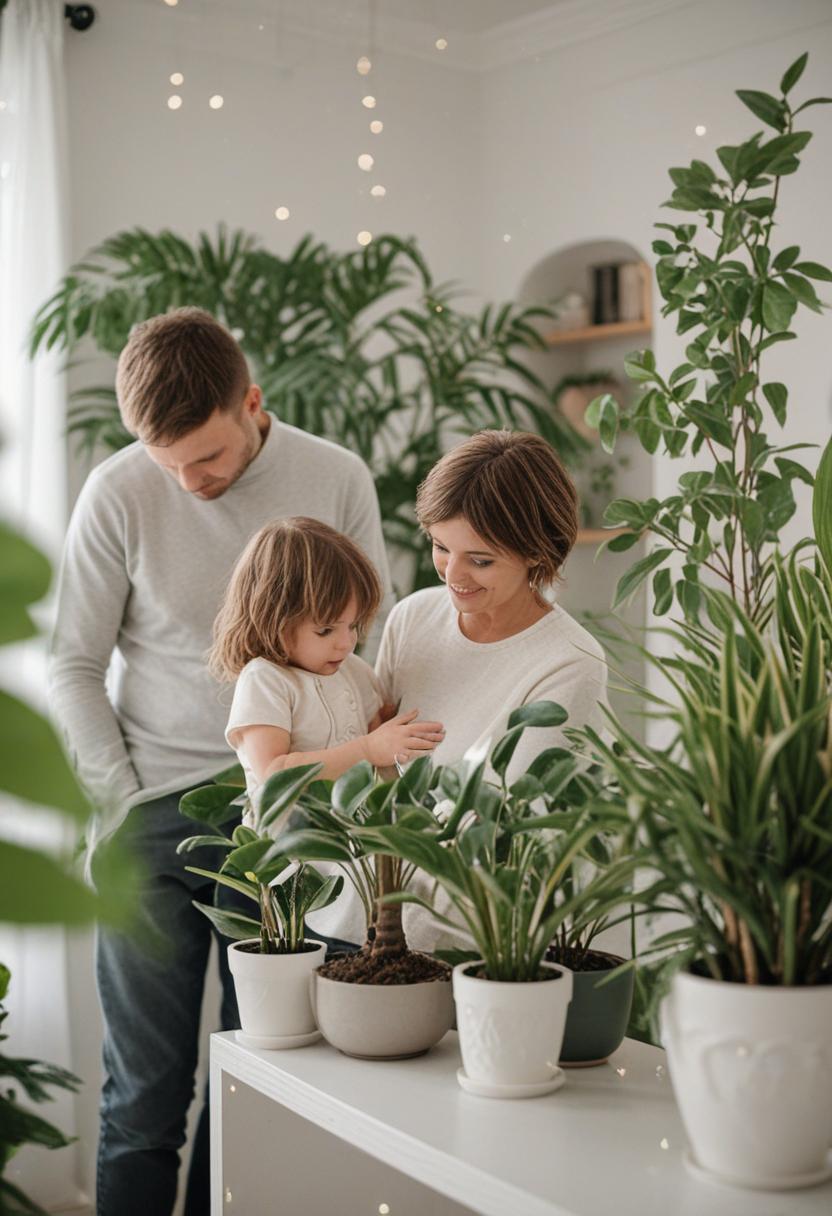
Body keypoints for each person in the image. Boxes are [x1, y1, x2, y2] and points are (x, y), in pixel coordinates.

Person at [48, 308, 393, 1216]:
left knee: (259, 1088)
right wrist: (118, 804)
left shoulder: (334, 476)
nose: (187, 482)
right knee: (143, 1101)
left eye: (204, 457)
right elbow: (73, 665)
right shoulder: (120, 491)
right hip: (151, 819)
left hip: (285, 827)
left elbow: (376, 645)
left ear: (251, 401)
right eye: (167, 463)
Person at [375, 429, 608, 948]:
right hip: (375, 925)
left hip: (483, 944)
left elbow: (511, 825)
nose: (453, 574)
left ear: (537, 552)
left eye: (480, 560)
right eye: (440, 546)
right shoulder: (413, 617)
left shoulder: (569, 662)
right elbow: (376, 767)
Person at [212, 515, 443, 944]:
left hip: (350, 871)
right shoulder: (266, 680)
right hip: (286, 876)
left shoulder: (352, 670)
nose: (345, 642)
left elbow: (380, 744)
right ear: (273, 621)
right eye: (326, 629)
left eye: (353, 626)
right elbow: (275, 773)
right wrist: (370, 748)